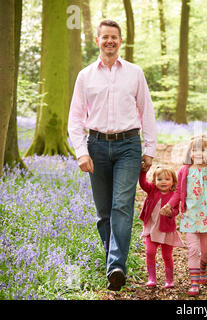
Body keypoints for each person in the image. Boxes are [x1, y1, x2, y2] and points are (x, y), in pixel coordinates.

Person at [68, 20, 157, 291]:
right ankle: (113, 263)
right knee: (104, 212)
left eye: (114, 37)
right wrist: (82, 152)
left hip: (129, 145)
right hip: (96, 146)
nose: (110, 41)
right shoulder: (85, 76)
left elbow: (147, 111)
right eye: (105, 37)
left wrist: (149, 149)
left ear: (121, 41)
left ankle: (116, 265)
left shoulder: (134, 73)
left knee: (121, 205)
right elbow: (75, 119)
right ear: (97, 40)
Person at [160, 135, 207, 296]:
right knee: (193, 250)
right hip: (190, 216)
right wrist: (169, 205)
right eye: (195, 150)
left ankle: (203, 267)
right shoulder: (184, 170)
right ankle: (194, 282)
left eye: (203, 150)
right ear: (190, 152)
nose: (198, 153)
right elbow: (178, 192)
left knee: (206, 250)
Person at [138, 166, 184, 289]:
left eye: (167, 179)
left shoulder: (174, 196)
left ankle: (169, 280)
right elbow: (142, 184)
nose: (163, 181)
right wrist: (143, 172)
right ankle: (151, 278)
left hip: (166, 230)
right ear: (154, 181)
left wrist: (171, 213)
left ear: (173, 182)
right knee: (149, 252)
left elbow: (176, 210)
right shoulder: (152, 190)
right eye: (159, 179)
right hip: (151, 229)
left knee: (167, 256)